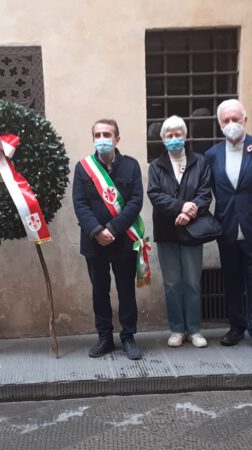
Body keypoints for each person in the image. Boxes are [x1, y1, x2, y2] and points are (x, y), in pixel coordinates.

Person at [205, 99, 252, 356]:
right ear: (219, 124)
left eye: (235, 119)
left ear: (244, 120)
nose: (231, 124)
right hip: (227, 226)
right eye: (226, 120)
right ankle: (236, 326)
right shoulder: (212, 154)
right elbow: (216, 189)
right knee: (232, 279)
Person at [73, 118, 145, 360]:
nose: (102, 139)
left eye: (107, 134)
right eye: (98, 135)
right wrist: (97, 231)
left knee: (126, 291)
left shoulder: (131, 166)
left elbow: (135, 202)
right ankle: (105, 337)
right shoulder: (83, 168)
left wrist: (113, 229)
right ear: (93, 138)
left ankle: (128, 337)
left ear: (117, 139)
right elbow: (80, 204)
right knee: (99, 291)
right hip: (94, 243)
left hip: (123, 240)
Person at [147, 115, 212, 348]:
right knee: (173, 283)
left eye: (178, 134)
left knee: (193, 282)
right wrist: (180, 207)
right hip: (167, 230)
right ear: (163, 139)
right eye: (169, 135)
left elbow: (205, 193)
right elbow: (155, 194)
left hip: (193, 230)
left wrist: (190, 212)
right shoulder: (156, 166)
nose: (174, 139)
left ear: (185, 136)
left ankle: (194, 329)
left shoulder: (200, 162)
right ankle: (176, 329)